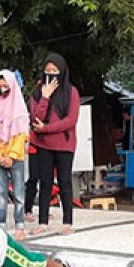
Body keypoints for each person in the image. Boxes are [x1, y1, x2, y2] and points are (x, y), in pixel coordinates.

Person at [28, 52, 81, 235]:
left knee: (65, 181)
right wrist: (45, 96)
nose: (51, 73)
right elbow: (36, 118)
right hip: (43, 144)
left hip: (64, 144)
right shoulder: (37, 92)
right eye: (47, 70)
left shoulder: (71, 92)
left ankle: (67, 222)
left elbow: (71, 120)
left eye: (55, 70)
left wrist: (47, 128)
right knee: (45, 183)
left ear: (62, 71)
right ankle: (42, 221)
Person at [0, 70, 30, 236]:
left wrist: (11, 156)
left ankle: (20, 225)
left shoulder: (20, 109)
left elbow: (21, 135)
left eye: (6, 86)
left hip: (15, 158)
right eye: (0, 86)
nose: (3, 89)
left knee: (19, 194)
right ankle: (1, 225)